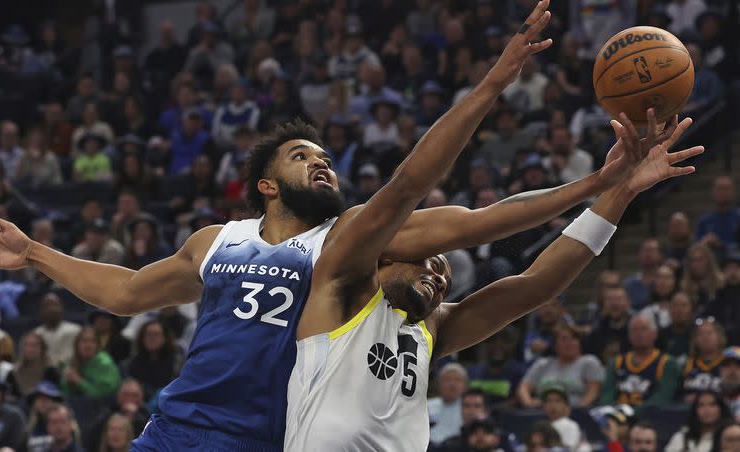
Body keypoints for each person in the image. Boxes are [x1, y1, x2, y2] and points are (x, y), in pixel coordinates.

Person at [0, 4, 688, 447]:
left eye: (329, 155)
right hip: (181, 427)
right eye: (306, 156)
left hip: (273, 438)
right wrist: (37, 252)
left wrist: (603, 183)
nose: (325, 163)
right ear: (267, 183)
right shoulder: (217, 240)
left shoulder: (351, 248)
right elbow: (123, 294)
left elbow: (479, 224)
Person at [285, 96, 700, 450]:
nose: (439, 277)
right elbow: (408, 185)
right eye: (428, 261)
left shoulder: (432, 326)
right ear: (385, 258)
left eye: (445, 274)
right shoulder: (339, 285)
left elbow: (536, 284)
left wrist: (622, 192)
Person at [599, 314, 680, 407]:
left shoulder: (667, 363)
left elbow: (663, 398)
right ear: (628, 335)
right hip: (617, 417)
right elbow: (606, 395)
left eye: (644, 329)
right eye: (634, 330)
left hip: (651, 418)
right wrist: (615, 413)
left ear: (655, 334)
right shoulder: (616, 362)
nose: (638, 333)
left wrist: (632, 414)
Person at [518, 322, 605, 408]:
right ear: (555, 345)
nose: (569, 342)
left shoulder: (589, 362)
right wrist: (528, 402)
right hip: (541, 413)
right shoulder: (543, 364)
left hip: (576, 412)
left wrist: (577, 410)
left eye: (574, 338)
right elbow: (523, 387)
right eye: (564, 339)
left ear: (579, 343)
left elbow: (593, 392)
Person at [59, 326, 121, 398]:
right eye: (84, 341)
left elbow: (104, 396)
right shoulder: (72, 362)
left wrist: (79, 381)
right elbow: (65, 394)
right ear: (77, 345)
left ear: (97, 345)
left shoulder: (105, 364)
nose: (88, 345)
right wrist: (67, 382)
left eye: (92, 341)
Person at [665, 390, 731, 452]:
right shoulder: (681, 436)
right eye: (701, 405)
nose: (706, 410)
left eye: (712, 404)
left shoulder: (731, 437)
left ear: (721, 409)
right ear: (695, 410)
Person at [681, 319, 726, 401]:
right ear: (695, 339)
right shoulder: (687, 365)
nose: (705, 337)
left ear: (720, 336)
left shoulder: (729, 362)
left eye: (710, 333)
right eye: (700, 334)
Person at [6, 331, 60, 398]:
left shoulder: (51, 372)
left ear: (42, 349)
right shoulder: (13, 373)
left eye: (34, 345)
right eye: (27, 345)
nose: (31, 349)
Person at [540, 384, 592, 452]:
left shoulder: (570, 425)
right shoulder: (539, 427)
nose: (552, 405)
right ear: (543, 406)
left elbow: (568, 449)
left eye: (557, 401)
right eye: (548, 401)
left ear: (567, 407)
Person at [34, 292, 81, 366]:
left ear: (62, 308)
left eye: (56, 305)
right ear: (41, 310)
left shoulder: (75, 330)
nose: (52, 309)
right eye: (48, 305)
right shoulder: (36, 334)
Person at [428, 363, 469, 445]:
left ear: (465, 386)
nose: (452, 384)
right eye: (447, 379)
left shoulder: (470, 407)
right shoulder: (427, 406)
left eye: (457, 380)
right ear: (439, 384)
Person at [26, 381, 65, 452]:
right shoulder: (29, 430)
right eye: (39, 399)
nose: (43, 402)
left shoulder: (66, 427)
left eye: (47, 398)